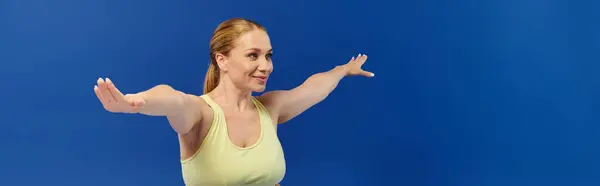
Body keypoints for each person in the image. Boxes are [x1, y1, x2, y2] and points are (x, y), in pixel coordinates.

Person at [93, 18, 374, 186]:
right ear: (222, 60)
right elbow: (171, 98)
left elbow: (313, 87)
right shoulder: (201, 113)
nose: (266, 66)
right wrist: (137, 101)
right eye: (253, 55)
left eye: (268, 55)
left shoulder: (270, 108)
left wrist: (342, 70)